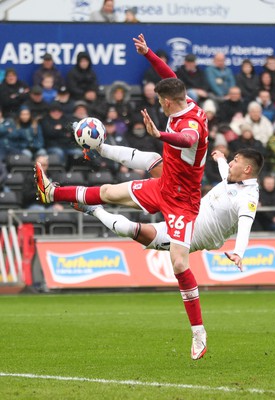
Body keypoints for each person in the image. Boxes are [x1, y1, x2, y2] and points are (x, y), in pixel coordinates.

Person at [35, 33, 209, 361]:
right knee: (108, 192)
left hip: (183, 201)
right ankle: (51, 191)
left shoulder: (191, 124)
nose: (160, 105)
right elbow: (168, 76)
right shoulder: (183, 98)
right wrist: (147, 55)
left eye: (161, 103)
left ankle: (198, 332)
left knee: (178, 262)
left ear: (169, 103)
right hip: (164, 182)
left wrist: (161, 134)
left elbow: (187, 139)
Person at [71, 147, 263, 273]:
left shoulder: (248, 198)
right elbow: (225, 174)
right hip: (184, 210)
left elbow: (245, 226)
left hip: (191, 237)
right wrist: (221, 159)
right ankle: (102, 149)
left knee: (132, 230)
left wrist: (238, 252)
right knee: (155, 162)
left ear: (247, 169)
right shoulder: (233, 179)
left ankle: (94, 210)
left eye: (235, 161)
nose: (231, 163)